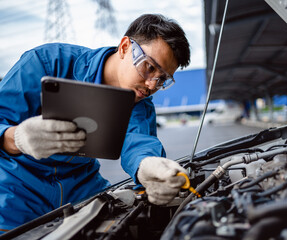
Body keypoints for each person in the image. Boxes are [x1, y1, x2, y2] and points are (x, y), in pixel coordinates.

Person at [0, 14, 191, 233]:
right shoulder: (47, 61)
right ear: (125, 46)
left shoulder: (139, 101)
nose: (151, 85)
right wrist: (15, 138)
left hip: (80, 189)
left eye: (162, 79)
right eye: (149, 67)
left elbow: (140, 143)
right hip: (16, 191)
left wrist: (146, 166)